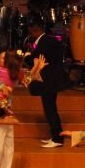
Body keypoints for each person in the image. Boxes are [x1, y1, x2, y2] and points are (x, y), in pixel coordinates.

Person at [26, 17, 65, 148]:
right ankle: (55, 136)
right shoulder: (48, 40)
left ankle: (57, 139)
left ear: (34, 30)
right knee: (50, 109)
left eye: (30, 31)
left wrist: (27, 56)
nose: (30, 35)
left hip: (49, 82)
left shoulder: (44, 43)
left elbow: (37, 60)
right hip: (50, 81)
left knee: (50, 110)